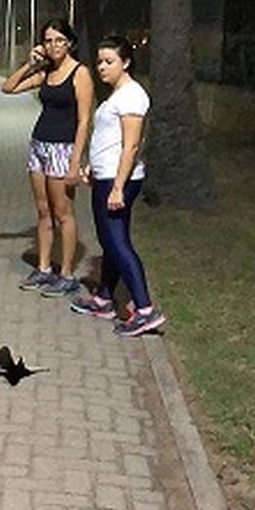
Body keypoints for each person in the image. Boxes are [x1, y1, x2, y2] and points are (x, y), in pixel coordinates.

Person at [70, 36, 167, 336]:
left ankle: (145, 309)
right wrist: (93, 169)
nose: (102, 67)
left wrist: (117, 187)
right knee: (111, 241)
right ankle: (103, 298)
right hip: (107, 176)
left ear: (125, 63)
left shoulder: (132, 96)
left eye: (109, 61)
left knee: (117, 242)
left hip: (118, 180)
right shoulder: (117, 95)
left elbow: (131, 144)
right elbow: (110, 141)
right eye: (99, 61)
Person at [1, 18, 94, 297]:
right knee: (43, 212)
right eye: (48, 40)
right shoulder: (46, 73)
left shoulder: (80, 73)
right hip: (39, 145)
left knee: (63, 213)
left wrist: (75, 162)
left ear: (69, 43)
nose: (53, 46)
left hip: (63, 149)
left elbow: (84, 120)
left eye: (59, 40)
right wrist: (31, 64)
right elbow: (8, 87)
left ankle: (65, 274)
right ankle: (43, 269)